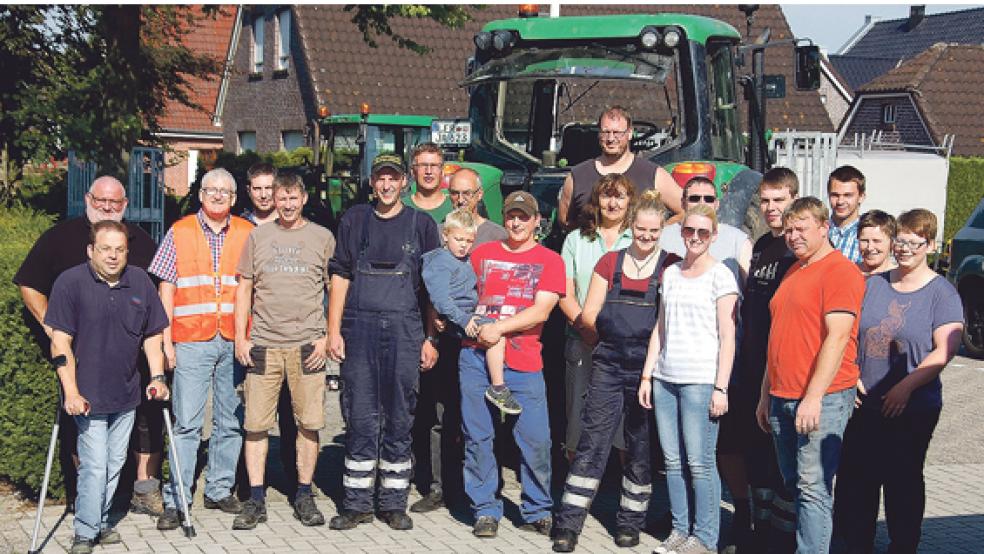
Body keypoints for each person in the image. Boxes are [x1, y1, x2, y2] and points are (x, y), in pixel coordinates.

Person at [13, 176, 163, 515]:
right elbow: (29, 284)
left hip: (130, 355)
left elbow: (159, 295)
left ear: (125, 204)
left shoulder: (140, 241)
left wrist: (161, 344)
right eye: (100, 201)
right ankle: (86, 500)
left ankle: (136, 492)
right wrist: (51, 327)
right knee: (79, 422)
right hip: (79, 355)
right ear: (87, 199)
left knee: (143, 423)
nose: (107, 207)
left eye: (115, 202)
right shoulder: (59, 238)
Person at [552, 190, 678, 552]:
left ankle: (629, 522)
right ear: (631, 226)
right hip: (608, 363)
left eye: (654, 232)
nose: (647, 237)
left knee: (639, 447)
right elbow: (589, 314)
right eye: (641, 230)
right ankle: (569, 524)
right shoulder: (609, 263)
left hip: (646, 367)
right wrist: (603, 341)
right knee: (592, 443)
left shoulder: (670, 265)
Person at [834, 209, 963, 554]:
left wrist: (905, 387)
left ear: (931, 245)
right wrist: (851, 374)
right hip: (864, 403)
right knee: (860, 480)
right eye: (901, 241)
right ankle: (857, 545)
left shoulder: (942, 293)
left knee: (901, 481)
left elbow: (944, 351)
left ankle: (903, 545)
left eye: (914, 242)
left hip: (913, 407)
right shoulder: (874, 284)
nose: (905, 248)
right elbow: (847, 333)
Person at [327, 154, 441, 531]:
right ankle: (357, 502)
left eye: (393, 178)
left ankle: (393, 502)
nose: (387, 185)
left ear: (404, 182)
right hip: (358, 331)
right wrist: (333, 331)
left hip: (406, 330)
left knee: (399, 415)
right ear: (372, 183)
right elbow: (340, 277)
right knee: (359, 415)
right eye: (381, 179)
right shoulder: (355, 220)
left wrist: (429, 337)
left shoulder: (421, 225)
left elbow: (430, 290)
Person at [45, 221, 170, 554]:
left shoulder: (140, 282)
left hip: (126, 394)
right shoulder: (70, 283)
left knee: (115, 465)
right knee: (95, 465)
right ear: (91, 251)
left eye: (119, 250)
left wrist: (157, 377)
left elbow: (153, 333)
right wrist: (71, 392)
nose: (113, 256)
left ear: (127, 252)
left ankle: (99, 522)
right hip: (87, 396)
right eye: (105, 249)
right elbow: (60, 343)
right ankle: (85, 533)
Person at [754, 197, 865, 553]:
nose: (793, 236)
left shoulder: (839, 271)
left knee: (813, 488)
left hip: (822, 397)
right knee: (797, 485)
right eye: (788, 230)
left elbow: (838, 335)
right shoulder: (793, 271)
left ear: (823, 227)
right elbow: (778, 335)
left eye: (801, 228)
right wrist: (764, 394)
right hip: (782, 395)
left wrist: (814, 397)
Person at [231, 173, 336, 529]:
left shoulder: (322, 237)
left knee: (309, 424)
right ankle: (256, 499)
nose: (287, 205)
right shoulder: (258, 236)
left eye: (293, 198)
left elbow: (334, 290)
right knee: (256, 426)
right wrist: (240, 338)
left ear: (303, 199)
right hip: (264, 344)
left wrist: (327, 336)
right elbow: (244, 289)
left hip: (308, 345)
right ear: (273, 200)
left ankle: (304, 494)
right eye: (281, 198)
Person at [150, 168, 252, 529]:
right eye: (212, 189)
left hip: (234, 341)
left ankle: (220, 489)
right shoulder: (179, 231)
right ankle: (177, 499)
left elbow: (253, 288)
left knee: (230, 421)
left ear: (235, 198)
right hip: (191, 340)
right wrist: (165, 342)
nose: (218, 195)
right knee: (187, 424)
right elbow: (165, 289)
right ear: (200, 194)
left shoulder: (247, 232)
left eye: (226, 191)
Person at [460, 191, 564, 538]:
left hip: (524, 360)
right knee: (478, 437)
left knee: (536, 439)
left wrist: (498, 328)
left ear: (537, 221)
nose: (516, 222)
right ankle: (485, 509)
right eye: (511, 216)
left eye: (524, 216)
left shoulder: (550, 260)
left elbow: (542, 311)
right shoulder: (482, 254)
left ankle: (537, 508)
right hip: (476, 358)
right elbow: (463, 295)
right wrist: (465, 321)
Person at [642, 204, 740, 554]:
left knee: (700, 462)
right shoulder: (670, 274)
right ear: (681, 232)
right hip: (666, 378)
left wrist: (721, 387)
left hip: (701, 381)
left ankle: (706, 537)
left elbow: (728, 335)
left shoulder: (721, 276)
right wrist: (647, 374)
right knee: (672, 462)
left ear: (713, 236)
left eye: (703, 232)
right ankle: (680, 530)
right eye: (689, 231)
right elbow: (661, 328)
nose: (695, 238)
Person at [409, 168, 506, 514]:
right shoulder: (440, 232)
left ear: (480, 195)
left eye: (468, 193)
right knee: (439, 413)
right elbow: (433, 293)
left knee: (479, 416)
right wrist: (431, 336)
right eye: (455, 194)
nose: (461, 199)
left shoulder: (495, 234)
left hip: (483, 338)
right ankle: (438, 487)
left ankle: (482, 485)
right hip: (450, 336)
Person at [716, 168, 799, 552]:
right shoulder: (763, 245)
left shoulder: (798, 252)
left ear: (794, 200)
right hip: (751, 370)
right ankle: (755, 528)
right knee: (754, 454)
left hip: (782, 372)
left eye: (778, 200)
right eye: (765, 200)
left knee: (783, 462)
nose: (770, 208)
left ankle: (779, 539)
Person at [558, 173, 635, 461]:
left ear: (630, 202)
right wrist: (584, 326)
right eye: (606, 196)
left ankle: (623, 494)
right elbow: (564, 290)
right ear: (596, 201)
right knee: (578, 416)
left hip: (625, 346)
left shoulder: (637, 239)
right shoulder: (576, 240)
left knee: (625, 421)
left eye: (620, 196)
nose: (612, 203)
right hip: (582, 339)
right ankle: (577, 491)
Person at [237, 162, 300, 497]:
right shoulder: (239, 227)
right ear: (249, 191)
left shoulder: (292, 227)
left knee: (292, 414)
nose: (264, 195)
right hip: (251, 334)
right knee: (250, 414)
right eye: (257, 189)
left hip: (289, 335)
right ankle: (247, 485)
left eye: (269, 189)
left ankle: (294, 480)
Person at [423, 208, 519, 414]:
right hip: (459, 319)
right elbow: (440, 299)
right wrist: (463, 319)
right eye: (458, 239)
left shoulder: (465, 260)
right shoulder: (440, 262)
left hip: (465, 315)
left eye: (468, 241)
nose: (463, 245)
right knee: (495, 333)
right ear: (445, 236)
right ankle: (498, 387)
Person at [557, 106, 682, 230]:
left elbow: (686, 211)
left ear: (630, 134)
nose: (611, 139)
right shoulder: (578, 176)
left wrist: (655, 232)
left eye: (617, 133)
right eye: (606, 132)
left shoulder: (653, 174)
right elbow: (565, 221)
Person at [660, 176, 752, 284]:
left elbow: (751, 286)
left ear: (717, 204)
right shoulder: (663, 237)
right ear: (683, 203)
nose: (702, 203)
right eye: (695, 198)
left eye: (708, 199)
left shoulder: (738, 240)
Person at [403, 142, 453, 222]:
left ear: (442, 171)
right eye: (423, 165)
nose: (429, 171)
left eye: (434, 165)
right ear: (413, 172)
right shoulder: (400, 207)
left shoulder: (455, 206)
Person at [827, 165, 867, 263]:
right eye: (835, 195)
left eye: (848, 195)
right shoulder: (819, 231)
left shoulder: (868, 235)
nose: (840, 201)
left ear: (861, 197)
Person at [857, 209, 898, 276]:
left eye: (876, 241)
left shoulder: (899, 278)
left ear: (892, 243)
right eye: (864, 241)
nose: (869, 248)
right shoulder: (849, 274)